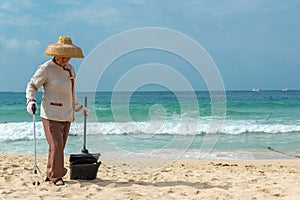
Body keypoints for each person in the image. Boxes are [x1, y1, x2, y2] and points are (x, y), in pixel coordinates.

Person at [26, 36, 89, 186]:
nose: (64, 59)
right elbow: (32, 85)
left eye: (67, 56)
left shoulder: (70, 69)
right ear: (56, 53)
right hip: (50, 114)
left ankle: (50, 174)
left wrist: (79, 108)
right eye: (62, 56)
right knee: (56, 146)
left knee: (58, 147)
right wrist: (31, 100)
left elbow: (71, 93)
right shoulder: (46, 68)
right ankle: (56, 177)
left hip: (66, 115)